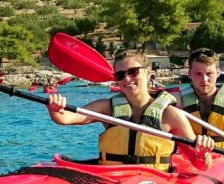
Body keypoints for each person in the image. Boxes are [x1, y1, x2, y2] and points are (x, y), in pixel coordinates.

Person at [46, 51, 215, 171]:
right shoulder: (107, 107)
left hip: (153, 183)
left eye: (133, 72)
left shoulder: (171, 115)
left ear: (148, 73)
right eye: (120, 75)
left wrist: (203, 153)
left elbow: (201, 165)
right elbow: (65, 118)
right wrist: (55, 108)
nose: (127, 79)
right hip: (110, 177)